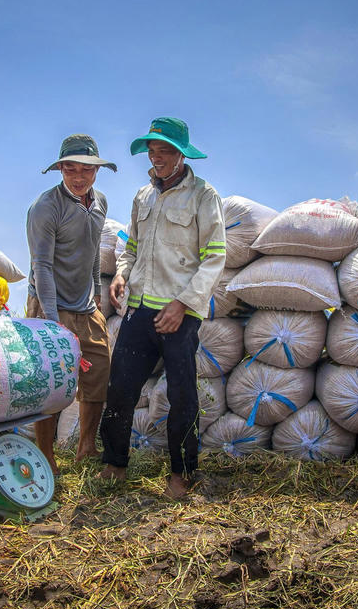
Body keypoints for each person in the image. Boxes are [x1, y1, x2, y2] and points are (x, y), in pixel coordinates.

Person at [99, 117, 226, 499]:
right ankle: (115, 463)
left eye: (165, 151)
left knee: (183, 395)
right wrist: (122, 274)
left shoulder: (204, 196)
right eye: (152, 152)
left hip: (179, 316)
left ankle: (182, 473)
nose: (156, 158)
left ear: (182, 155)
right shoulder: (143, 197)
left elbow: (215, 256)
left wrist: (184, 304)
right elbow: (133, 248)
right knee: (120, 389)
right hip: (139, 311)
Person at [25, 135, 116, 469]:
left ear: (96, 171)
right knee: (51, 382)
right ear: (60, 169)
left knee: (98, 375)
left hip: (85, 306)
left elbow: (92, 252)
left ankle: (85, 448)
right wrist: (51, 320)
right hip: (48, 304)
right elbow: (42, 266)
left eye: (86, 170)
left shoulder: (100, 203)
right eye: (70, 169)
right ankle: (46, 457)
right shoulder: (47, 207)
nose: (79, 177)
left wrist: (97, 294)